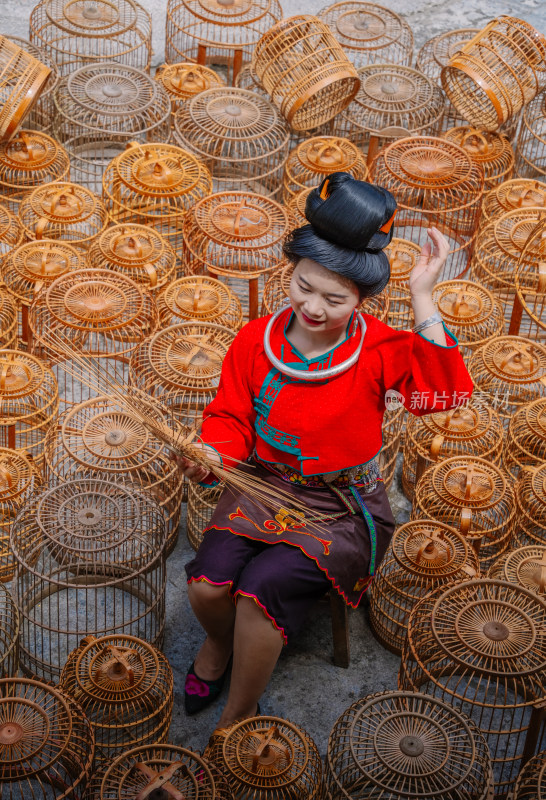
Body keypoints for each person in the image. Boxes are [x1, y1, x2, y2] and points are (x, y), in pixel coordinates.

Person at [174, 172, 473, 729]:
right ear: (291, 273)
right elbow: (230, 416)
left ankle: (237, 716)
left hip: (340, 503)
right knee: (206, 584)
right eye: (303, 286)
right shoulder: (253, 340)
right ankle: (217, 645)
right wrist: (211, 452)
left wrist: (423, 295)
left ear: (360, 299)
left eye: (335, 298)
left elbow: (445, 393)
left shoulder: (379, 347)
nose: (313, 306)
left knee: (258, 596)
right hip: (263, 482)